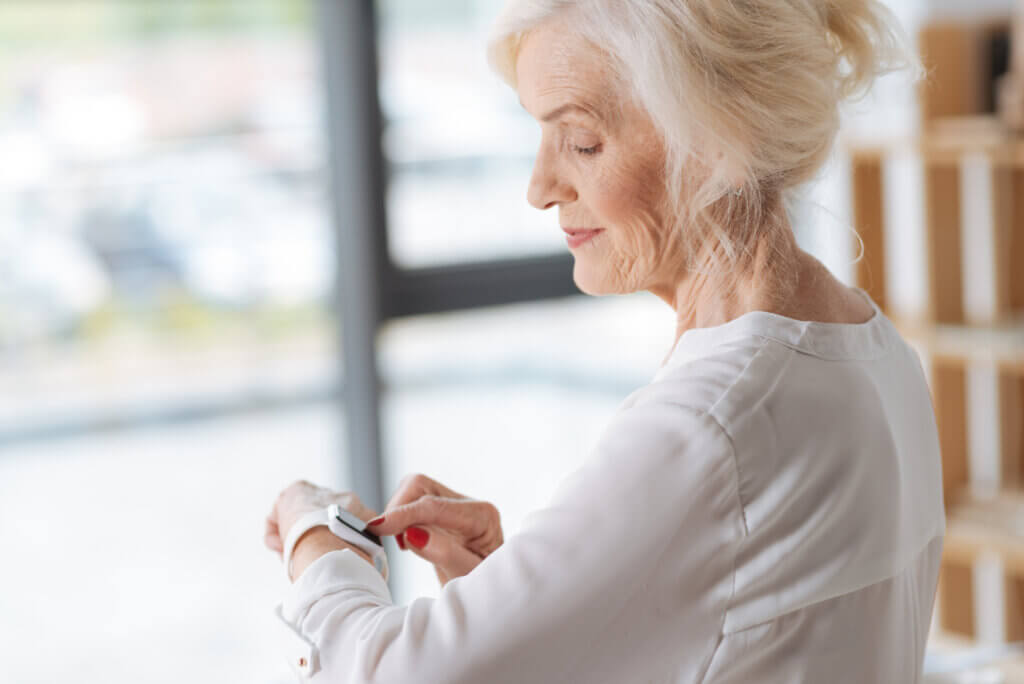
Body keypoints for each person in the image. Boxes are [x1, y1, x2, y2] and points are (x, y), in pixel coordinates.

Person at [263, 0, 945, 681]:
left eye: (582, 141)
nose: (540, 187)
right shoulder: (879, 356)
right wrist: (532, 607)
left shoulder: (710, 428)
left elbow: (388, 673)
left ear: (722, 139)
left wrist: (317, 534)